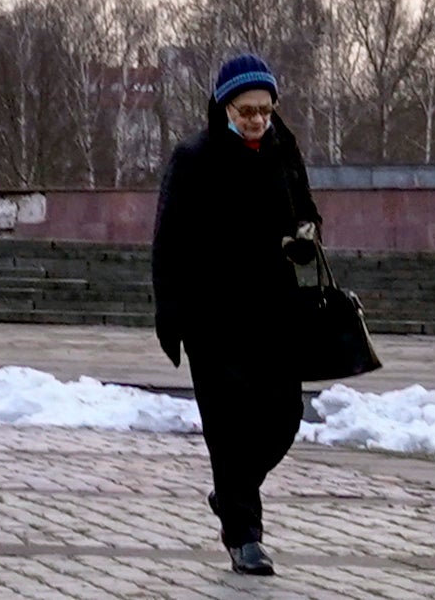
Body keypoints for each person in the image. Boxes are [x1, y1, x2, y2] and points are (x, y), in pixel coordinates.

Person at [150, 52, 319, 574]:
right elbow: (167, 242)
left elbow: (307, 212)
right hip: (211, 317)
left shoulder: (284, 152)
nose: (257, 120)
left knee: (284, 416)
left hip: (272, 312)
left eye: (265, 110)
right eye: (247, 110)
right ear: (224, 107)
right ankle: (244, 537)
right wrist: (172, 316)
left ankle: (232, 494)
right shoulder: (194, 158)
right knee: (228, 429)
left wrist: (307, 237)